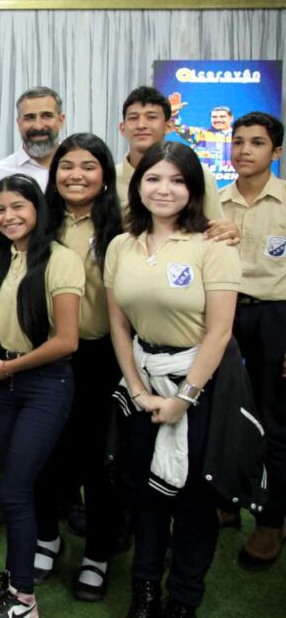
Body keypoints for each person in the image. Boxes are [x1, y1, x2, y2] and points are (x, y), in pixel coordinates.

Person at [105, 141, 262, 618]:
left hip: (203, 387)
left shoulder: (211, 247)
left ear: (193, 188)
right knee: (146, 492)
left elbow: (219, 333)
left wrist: (184, 399)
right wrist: (135, 388)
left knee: (195, 499)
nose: (164, 189)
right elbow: (118, 325)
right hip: (144, 383)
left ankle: (184, 598)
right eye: (154, 178)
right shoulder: (121, 245)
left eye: (177, 180)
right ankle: (146, 588)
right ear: (138, 185)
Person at [0, 174, 83, 618]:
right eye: (0, 210)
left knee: (15, 491)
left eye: (19, 207)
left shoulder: (60, 260)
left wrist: (7, 367)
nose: (9, 216)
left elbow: (67, 340)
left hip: (43, 385)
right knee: (13, 488)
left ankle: (25, 600)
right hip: (4, 386)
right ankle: (15, 582)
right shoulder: (3, 256)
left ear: (37, 208)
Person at [34, 134, 125, 599]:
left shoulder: (127, 224)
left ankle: (97, 555)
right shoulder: (39, 221)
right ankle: (46, 536)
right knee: (45, 453)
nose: (75, 175)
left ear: (104, 174)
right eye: (66, 165)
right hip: (46, 356)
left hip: (102, 357)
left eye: (88, 166)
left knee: (97, 461)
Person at [220, 112, 285, 569]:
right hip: (225, 313)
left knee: (274, 419)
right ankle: (226, 501)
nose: (244, 150)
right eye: (238, 141)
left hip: (275, 316)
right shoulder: (215, 201)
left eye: (257, 143)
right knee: (224, 413)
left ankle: (271, 519)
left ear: (275, 152)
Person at [115, 87, 223, 220]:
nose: (141, 125)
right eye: (133, 118)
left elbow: (216, 228)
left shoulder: (198, 174)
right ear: (123, 128)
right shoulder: (110, 178)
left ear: (169, 126)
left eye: (151, 117)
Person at [0, 86, 67, 190]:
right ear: (19, 123)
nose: (38, 126)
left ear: (61, 120)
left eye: (47, 116)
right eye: (30, 118)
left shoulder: (80, 172)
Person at [169, 95, 234, 180]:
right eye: (214, 117)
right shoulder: (200, 134)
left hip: (233, 186)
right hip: (205, 185)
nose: (218, 120)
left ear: (231, 118)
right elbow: (180, 129)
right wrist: (174, 114)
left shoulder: (239, 138)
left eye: (222, 117)